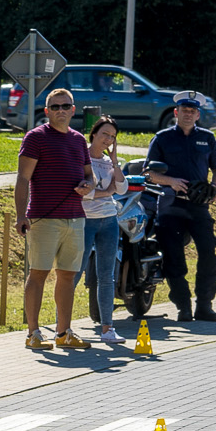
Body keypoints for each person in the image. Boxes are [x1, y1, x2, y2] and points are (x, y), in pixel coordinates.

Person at [15, 87, 96, 350]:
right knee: (38, 273)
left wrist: (87, 184)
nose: (61, 110)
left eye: (66, 106)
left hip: (75, 218)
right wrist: (20, 215)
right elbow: (22, 179)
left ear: (73, 110)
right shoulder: (36, 137)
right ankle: (33, 333)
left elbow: (90, 176)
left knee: (67, 276)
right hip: (44, 218)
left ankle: (63, 333)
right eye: (55, 107)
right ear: (47, 111)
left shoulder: (78, 140)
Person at [146, 92, 216, 321]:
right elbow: (149, 173)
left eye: (192, 111)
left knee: (208, 252)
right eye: (184, 111)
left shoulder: (208, 138)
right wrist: (171, 181)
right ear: (176, 113)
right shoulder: (162, 138)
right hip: (170, 204)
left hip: (198, 206)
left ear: (198, 114)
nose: (188, 114)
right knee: (173, 257)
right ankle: (183, 306)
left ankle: (204, 305)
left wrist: (213, 186)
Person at [80, 117, 129, 344]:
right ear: (94, 134)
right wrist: (106, 192)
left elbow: (121, 187)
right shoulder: (82, 157)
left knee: (107, 276)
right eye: (104, 134)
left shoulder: (110, 163)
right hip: (85, 220)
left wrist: (116, 160)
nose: (107, 139)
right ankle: (63, 326)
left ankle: (107, 328)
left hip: (109, 221)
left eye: (112, 137)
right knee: (73, 272)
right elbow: (83, 193)